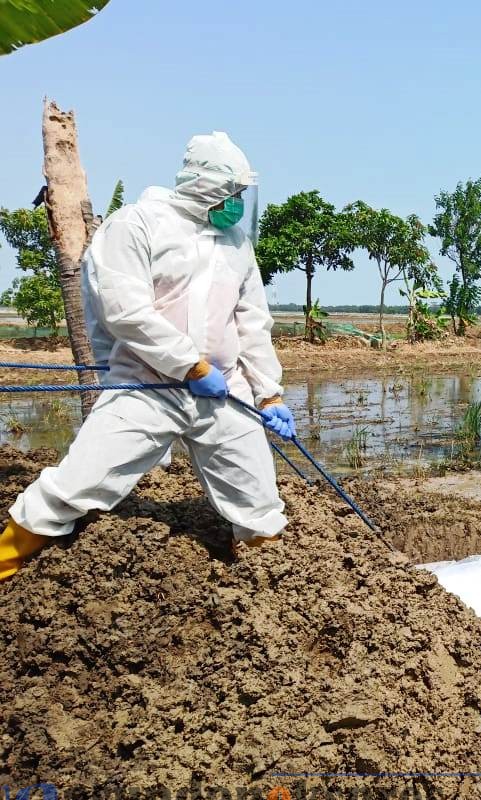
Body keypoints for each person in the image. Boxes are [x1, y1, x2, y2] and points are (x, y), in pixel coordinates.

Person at [0, 131, 297, 580]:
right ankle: (7, 560)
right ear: (205, 185)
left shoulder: (236, 243)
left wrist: (269, 394)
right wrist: (190, 365)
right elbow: (126, 312)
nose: (237, 202)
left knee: (257, 499)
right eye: (232, 192)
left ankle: (275, 581)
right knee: (81, 481)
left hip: (223, 391)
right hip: (146, 385)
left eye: (241, 194)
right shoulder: (137, 225)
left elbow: (252, 322)